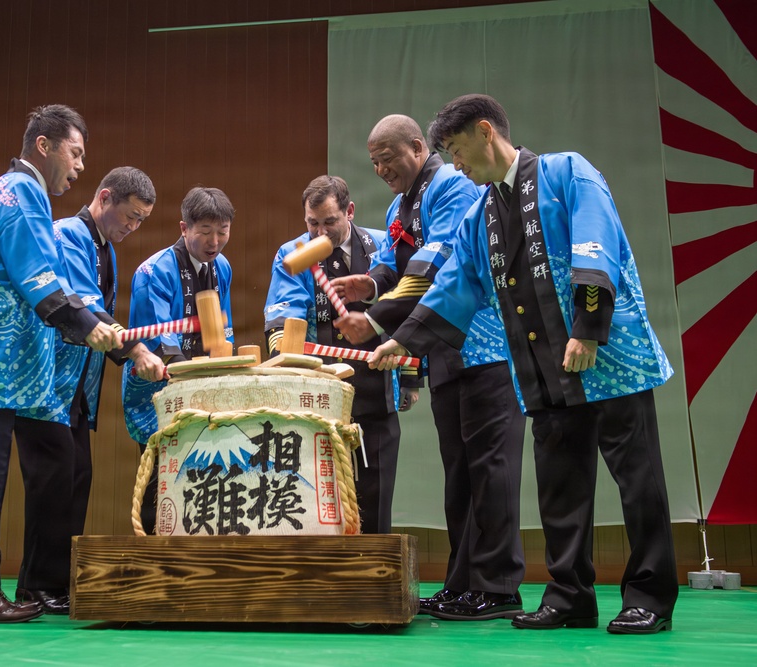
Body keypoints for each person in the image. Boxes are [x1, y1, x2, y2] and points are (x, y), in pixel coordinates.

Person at [370, 94, 678, 634]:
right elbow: (456, 285)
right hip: (545, 370)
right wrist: (405, 340)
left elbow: (595, 245)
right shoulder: (481, 212)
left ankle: (649, 596)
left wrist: (587, 329)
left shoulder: (568, 172)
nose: (458, 165)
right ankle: (568, 596)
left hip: (608, 358)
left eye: (459, 151)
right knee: (561, 488)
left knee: (638, 482)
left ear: (487, 132)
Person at [331, 116, 527, 619]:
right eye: (373, 161)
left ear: (418, 148)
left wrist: (376, 322)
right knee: (459, 473)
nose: (380, 169)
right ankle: (464, 582)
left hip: (483, 347)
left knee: (491, 468)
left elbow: (436, 263)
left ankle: (499, 584)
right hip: (443, 353)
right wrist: (368, 286)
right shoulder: (401, 204)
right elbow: (397, 264)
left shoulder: (453, 186)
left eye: (387, 158)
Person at [0, 105, 120, 623]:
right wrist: (86, 325)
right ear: (45, 146)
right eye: (76, 153)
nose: (80, 167)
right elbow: (36, 274)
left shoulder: (23, 192)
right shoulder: (19, 192)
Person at [11, 167, 166, 614]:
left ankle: (55, 584)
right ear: (104, 198)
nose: (132, 228)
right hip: (49, 385)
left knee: (76, 478)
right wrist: (137, 351)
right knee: (53, 482)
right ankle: (37, 585)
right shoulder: (69, 235)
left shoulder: (104, 247)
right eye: (130, 217)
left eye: (140, 222)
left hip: (78, 388)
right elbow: (87, 309)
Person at [263, 175, 412, 535]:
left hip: (377, 386)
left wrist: (409, 378)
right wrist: (285, 352)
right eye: (312, 223)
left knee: (376, 498)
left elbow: (406, 308)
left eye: (329, 222)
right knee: (319, 499)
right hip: (318, 394)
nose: (320, 233)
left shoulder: (381, 246)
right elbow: (283, 318)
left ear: (350, 211)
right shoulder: (294, 253)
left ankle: (375, 582)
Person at [121, 186, 236, 534]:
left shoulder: (223, 268)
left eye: (223, 231)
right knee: (160, 474)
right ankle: (152, 556)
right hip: (157, 387)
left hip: (202, 387)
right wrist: (190, 376)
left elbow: (223, 330)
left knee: (202, 474)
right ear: (184, 228)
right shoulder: (153, 271)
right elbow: (156, 339)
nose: (214, 241)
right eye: (205, 231)